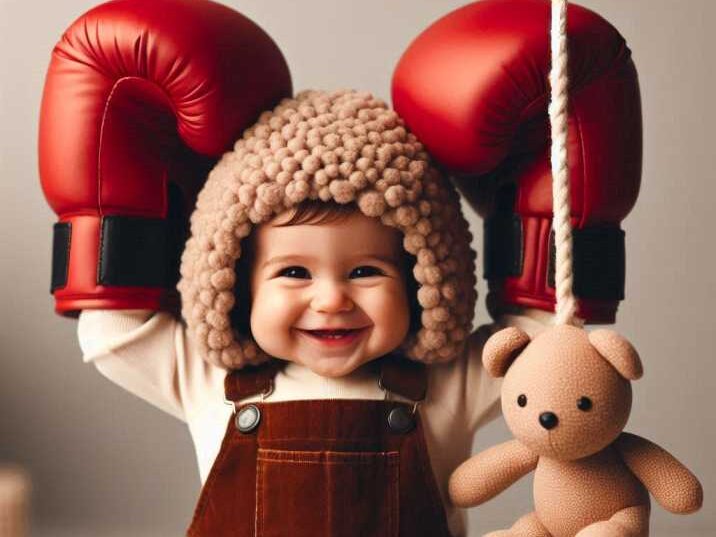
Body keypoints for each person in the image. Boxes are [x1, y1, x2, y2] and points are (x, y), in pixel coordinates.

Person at [76, 90, 555, 536]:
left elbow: (548, 339)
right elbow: (111, 330)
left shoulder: (452, 381)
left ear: (423, 283)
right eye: (294, 273)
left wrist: (531, 212)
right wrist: (123, 207)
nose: (331, 300)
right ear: (236, 286)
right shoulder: (207, 376)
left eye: (366, 271)